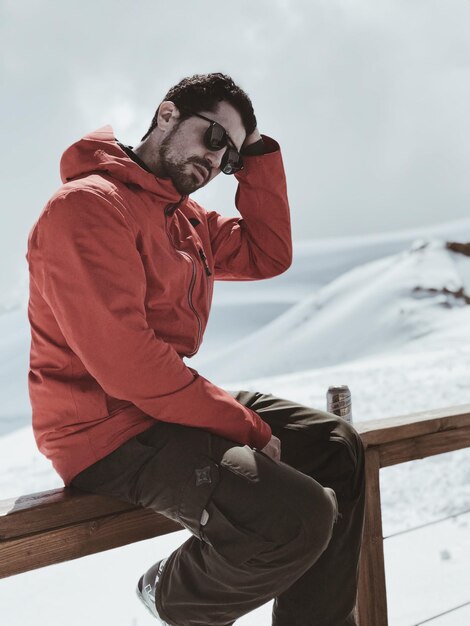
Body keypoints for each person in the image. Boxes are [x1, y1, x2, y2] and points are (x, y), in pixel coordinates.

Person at [26, 72, 365, 626]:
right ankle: (171, 594)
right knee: (298, 517)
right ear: (165, 116)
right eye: (213, 139)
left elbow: (267, 253)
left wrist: (255, 153)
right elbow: (128, 367)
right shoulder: (87, 208)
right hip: (102, 431)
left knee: (333, 444)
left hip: (159, 408)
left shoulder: (184, 218)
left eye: (229, 157)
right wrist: (248, 428)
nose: (216, 162)